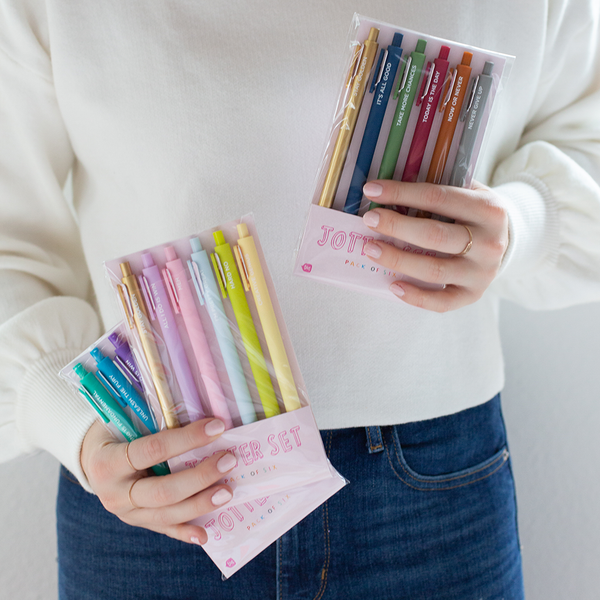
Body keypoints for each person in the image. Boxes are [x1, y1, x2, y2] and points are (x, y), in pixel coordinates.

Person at [1, 0, 599, 598]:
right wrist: (72, 424)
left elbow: (587, 132)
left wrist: (525, 221)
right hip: (156, 480)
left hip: (432, 486)